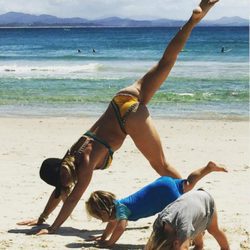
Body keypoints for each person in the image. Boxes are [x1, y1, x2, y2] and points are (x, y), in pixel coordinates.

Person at [17, 0, 220, 235]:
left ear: (61, 177)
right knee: (166, 61)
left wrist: (51, 229)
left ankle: (192, 200)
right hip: (121, 99)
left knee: (161, 165)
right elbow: (61, 192)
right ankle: (193, 20)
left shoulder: (83, 166)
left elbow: (71, 199)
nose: (63, 185)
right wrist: (41, 217)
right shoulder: (72, 154)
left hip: (128, 117)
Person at [85, 162, 227, 247]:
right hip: (163, 184)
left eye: (97, 217)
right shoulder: (118, 207)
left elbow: (121, 226)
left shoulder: (121, 209)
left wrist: (110, 243)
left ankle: (197, 240)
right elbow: (113, 223)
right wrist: (103, 237)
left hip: (165, 193)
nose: (100, 220)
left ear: (103, 212)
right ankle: (208, 168)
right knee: (188, 184)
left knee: (184, 214)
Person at [145, 189, 230, 250]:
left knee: (214, 229)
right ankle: (199, 246)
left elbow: (184, 247)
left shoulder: (183, 226)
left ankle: (225, 248)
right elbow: (151, 244)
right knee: (194, 225)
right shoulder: (158, 225)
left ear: (176, 243)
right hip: (190, 203)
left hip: (205, 200)